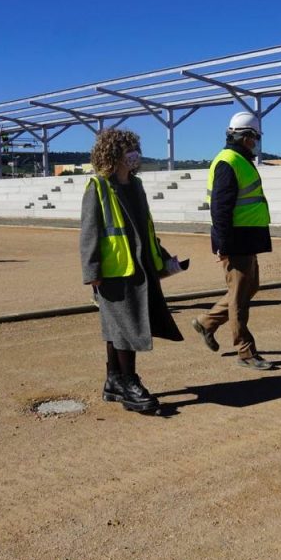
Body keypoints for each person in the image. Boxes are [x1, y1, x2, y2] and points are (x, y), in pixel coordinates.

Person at [80, 128, 184, 413]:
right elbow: (89, 233)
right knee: (127, 328)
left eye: (135, 149)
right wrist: (92, 273)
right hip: (115, 271)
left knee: (118, 328)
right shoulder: (98, 187)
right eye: (128, 150)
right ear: (113, 154)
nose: (134, 155)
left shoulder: (136, 186)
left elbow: (145, 228)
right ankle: (129, 383)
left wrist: (161, 257)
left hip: (140, 267)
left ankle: (114, 381)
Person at [190, 112, 275, 371]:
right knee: (239, 297)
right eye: (254, 138)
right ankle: (245, 351)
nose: (256, 143)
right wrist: (223, 245)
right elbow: (220, 208)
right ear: (245, 137)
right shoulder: (228, 162)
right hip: (236, 240)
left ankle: (206, 322)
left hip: (247, 238)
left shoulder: (239, 160)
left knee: (249, 289)